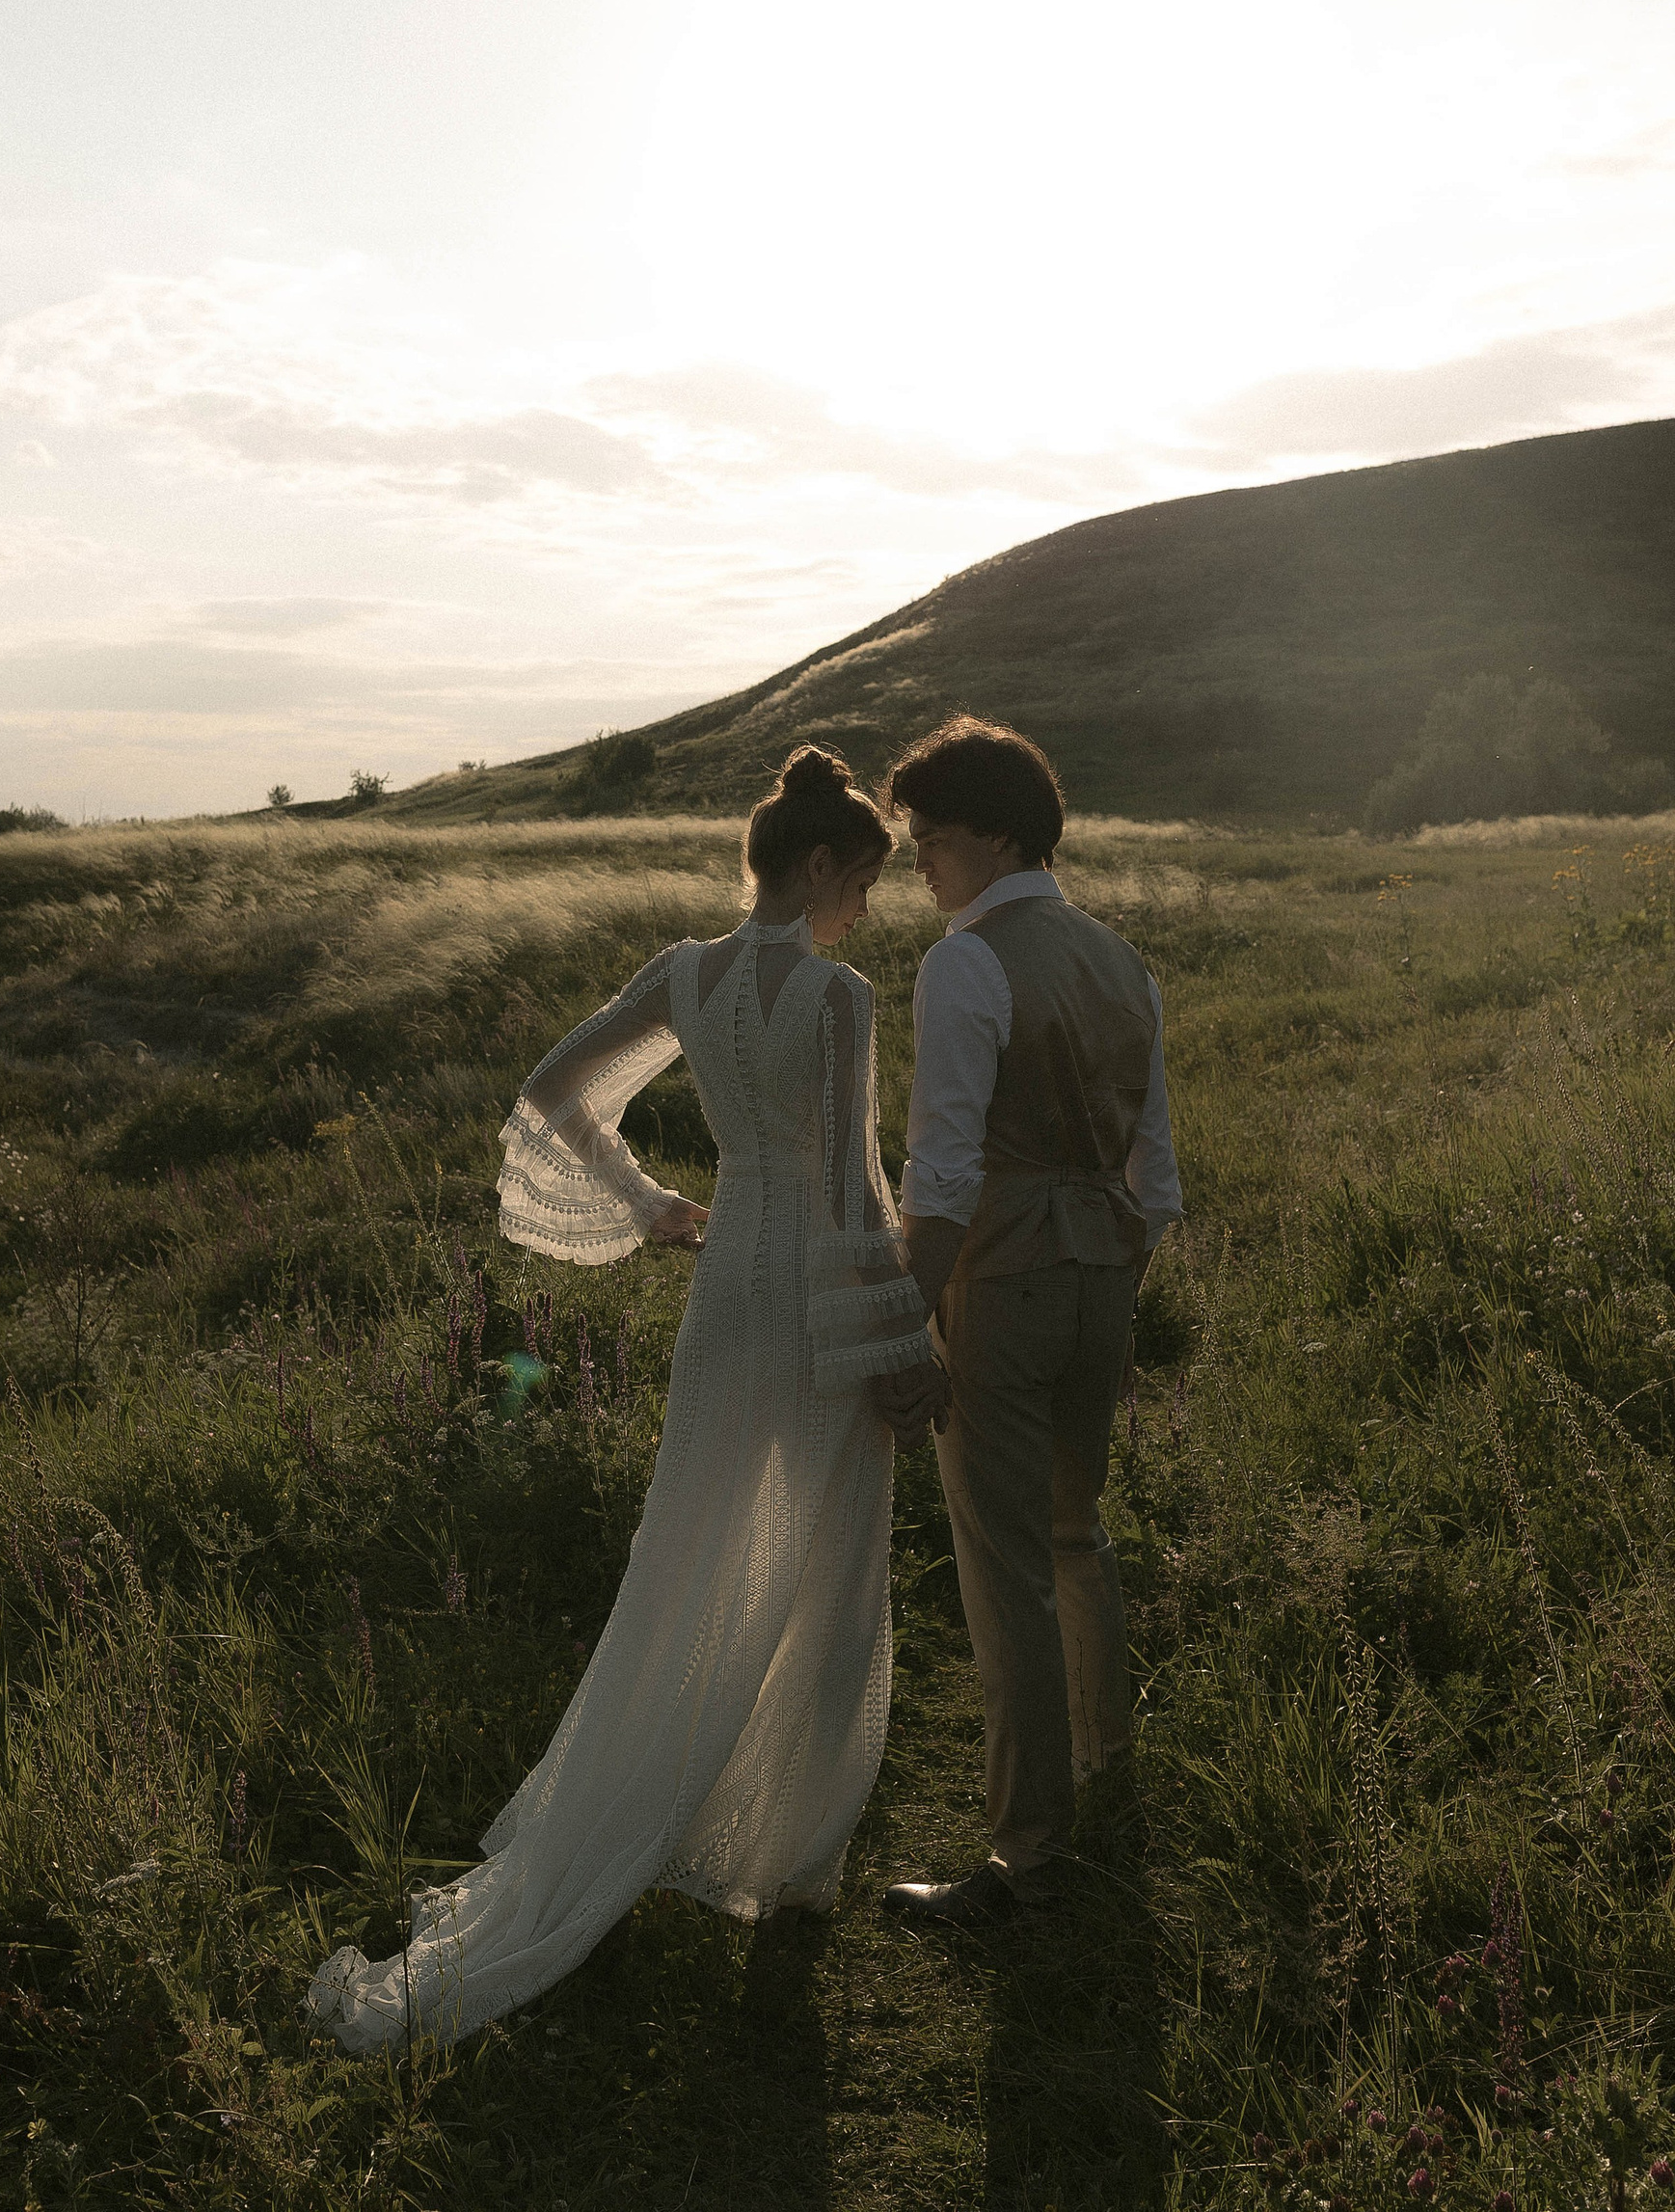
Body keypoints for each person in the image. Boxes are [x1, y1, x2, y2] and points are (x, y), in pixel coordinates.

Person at [307, 744, 936, 2052]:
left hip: (725, 1290)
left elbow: (551, 1094)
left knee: (692, 1546)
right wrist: (897, 1342)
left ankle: (672, 1810)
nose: (866, 909)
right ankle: (784, 1855)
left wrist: (648, 1203)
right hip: (810, 1302)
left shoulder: (682, 973)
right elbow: (850, 1189)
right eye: (864, 883)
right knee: (827, 1561)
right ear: (820, 865)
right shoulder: (839, 999)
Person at [873, 715, 1182, 1927]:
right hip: (1104, 1270)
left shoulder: (966, 962)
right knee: (1074, 1530)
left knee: (1004, 1563)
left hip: (999, 1276)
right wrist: (1113, 1266)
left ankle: (1027, 1852)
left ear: (998, 837)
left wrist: (906, 1318)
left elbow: (943, 1169)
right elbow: (1156, 1173)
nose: (918, 861)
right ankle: (1106, 1771)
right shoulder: (1122, 960)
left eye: (932, 837)